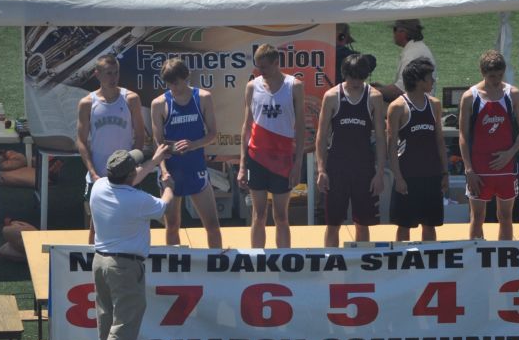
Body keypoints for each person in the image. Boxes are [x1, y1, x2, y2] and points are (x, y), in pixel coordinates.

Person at [84, 145, 174, 340]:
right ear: (128, 175)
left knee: (108, 323)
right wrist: (168, 185)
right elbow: (164, 206)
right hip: (124, 268)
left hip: (100, 262)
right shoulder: (138, 200)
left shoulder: (99, 186)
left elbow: (132, 176)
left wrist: (154, 161)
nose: (138, 169)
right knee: (124, 326)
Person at [237, 44, 305, 248]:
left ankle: (284, 262)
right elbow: (246, 125)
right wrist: (242, 165)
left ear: (277, 63)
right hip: (256, 158)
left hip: (283, 159)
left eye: (264, 67)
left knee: (281, 216)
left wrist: (298, 162)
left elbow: (301, 126)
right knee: (258, 214)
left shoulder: (294, 85)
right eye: (258, 67)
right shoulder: (252, 86)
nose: (260, 71)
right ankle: (256, 261)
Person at [151, 58, 222, 248]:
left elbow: (213, 134)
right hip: (171, 170)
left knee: (212, 225)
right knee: (172, 225)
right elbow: (158, 143)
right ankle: (175, 272)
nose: (173, 87)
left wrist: (194, 144)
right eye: (169, 83)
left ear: (186, 77)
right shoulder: (159, 103)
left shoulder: (203, 97)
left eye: (176, 82)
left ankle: (217, 266)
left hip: (195, 168)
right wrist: (164, 171)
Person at [316, 54, 386, 247]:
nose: (356, 82)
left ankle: (361, 268)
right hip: (336, 168)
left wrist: (380, 173)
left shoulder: (374, 97)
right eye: (352, 77)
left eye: (360, 77)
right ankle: (331, 265)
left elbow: (381, 138)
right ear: (344, 74)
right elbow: (321, 137)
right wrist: (321, 170)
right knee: (332, 224)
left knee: (363, 224)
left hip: (363, 169)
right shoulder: (331, 97)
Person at [458, 50, 519, 241]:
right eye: (491, 76)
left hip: (506, 167)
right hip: (479, 169)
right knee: (477, 217)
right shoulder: (470, 97)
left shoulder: (512, 94)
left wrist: (510, 153)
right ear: (482, 73)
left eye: (499, 75)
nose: (496, 80)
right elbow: (463, 135)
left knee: (506, 217)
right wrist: (469, 169)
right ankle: (476, 263)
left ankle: (505, 261)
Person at [76, 54, 145, 244]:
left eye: (116, 73)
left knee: (131, 221)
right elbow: (81, 141)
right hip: (98, 174)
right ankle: (91, 263)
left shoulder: (131, 99)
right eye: (108, 73)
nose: (113, 78)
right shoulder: (87, 103)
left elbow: (140, 136)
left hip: (126, 173)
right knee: (93, 225)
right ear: (97, 74)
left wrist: (133, 164)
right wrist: (92, 172)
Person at [387, 57, 447, 242]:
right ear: (419, 81)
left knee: (430, 226)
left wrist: (445, 173)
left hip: (431, 176)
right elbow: (391, 148)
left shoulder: (435, 105)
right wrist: (398, 178)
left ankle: (429, 268)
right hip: (408, 177)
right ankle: (401, 269)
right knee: (404, 227)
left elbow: (439, 141)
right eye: (430, 78)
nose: (433, 81)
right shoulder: (397, 107)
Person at [373, 19, 436, 103]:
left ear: (403, 32)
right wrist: (382, 88)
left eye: (395, 29)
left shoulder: (412, 54)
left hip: (414, 110)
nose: (393, 34)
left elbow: (399, 91)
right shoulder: (417, 48)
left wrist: (370, 90)